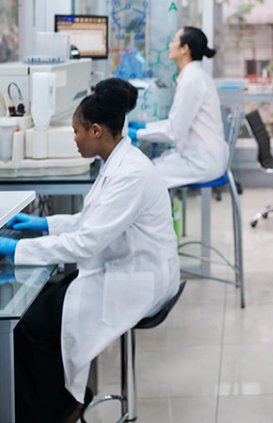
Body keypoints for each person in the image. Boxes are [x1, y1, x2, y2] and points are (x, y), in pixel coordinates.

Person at [0, 78, 180, 423]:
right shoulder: (119, 161)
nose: (75, 138)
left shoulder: (130, 174)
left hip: (138, 281)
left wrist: (16, 249)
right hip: (124, 269)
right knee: (40, 309)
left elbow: (87, 241)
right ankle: (66, 399)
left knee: (27, 329)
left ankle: (63, 408)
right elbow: (92, 220)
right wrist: (44, 225)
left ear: (96, 130)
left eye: (77, 131)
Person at [128, 26, 228, 188]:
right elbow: (176, 123)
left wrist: (137, 133)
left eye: (174, 40)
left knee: (142, 177)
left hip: (201, 163)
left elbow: (174, 131)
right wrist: (145, 126)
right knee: (148, 170)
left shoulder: (191, 81)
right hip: (202, 157)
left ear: (184, 49)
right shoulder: (196, 77)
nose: (169, 45)